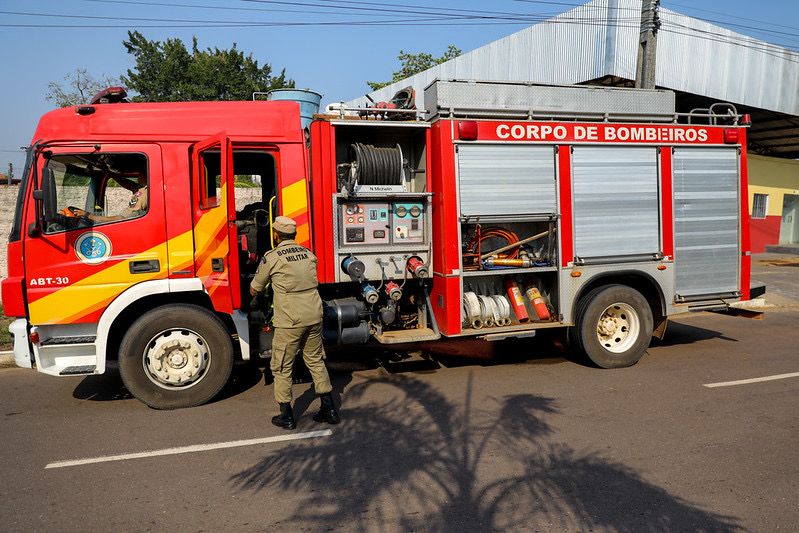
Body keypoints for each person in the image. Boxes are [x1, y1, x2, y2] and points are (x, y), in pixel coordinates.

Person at [250, 215, 340, 430]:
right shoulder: (308, 254)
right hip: (314, 315)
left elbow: (255, 288)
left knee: (282, 366)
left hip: (290, 320)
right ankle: (329, 409)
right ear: (294, 234)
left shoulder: (272, 257)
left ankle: (287, 416)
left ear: (276, 234)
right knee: (315, 360)